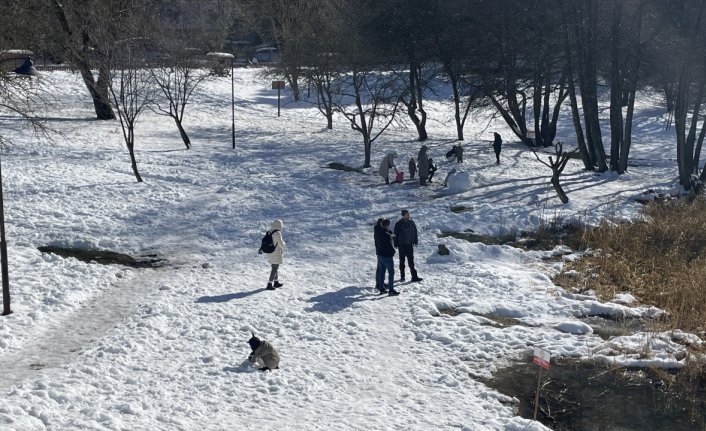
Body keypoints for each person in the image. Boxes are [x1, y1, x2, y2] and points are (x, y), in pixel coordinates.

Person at [393, 209, 422, 283]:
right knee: (402, 261)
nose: (409, 215)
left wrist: (415, 240)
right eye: (407, 214)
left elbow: (414, 232)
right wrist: (395, 243)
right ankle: (402, 277)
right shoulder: (398, 224)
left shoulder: (412, 223)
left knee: (411, 261)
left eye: (409, 214)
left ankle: (414, 276)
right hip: (401, 245)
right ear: (403, 215)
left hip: (409, 245)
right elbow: (395, 235)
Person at [375, 218, 399, 295]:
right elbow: (389, 246)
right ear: (387, 225)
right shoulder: (386, 234)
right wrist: (393, 251)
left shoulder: (378, 231)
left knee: (382, 272)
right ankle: (391, 290)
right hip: (387, 256)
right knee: (391, 272)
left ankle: (381, 289)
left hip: (380, 255)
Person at [264, 219, 285, 290]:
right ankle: (269, 284)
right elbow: (281, 244)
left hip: (269, 252)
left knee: (274, 267)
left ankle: (276, 282)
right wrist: (284, 243)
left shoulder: (270, 232)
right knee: (274, 268)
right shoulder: (277, 233)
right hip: (275, 253)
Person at [373, 218, 387, 293]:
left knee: (381, 267)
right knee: (380, 268)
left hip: (381, 251)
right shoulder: (378, 229)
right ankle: (378, 283)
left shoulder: (378, 229)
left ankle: (381, 282)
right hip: (380, 252)